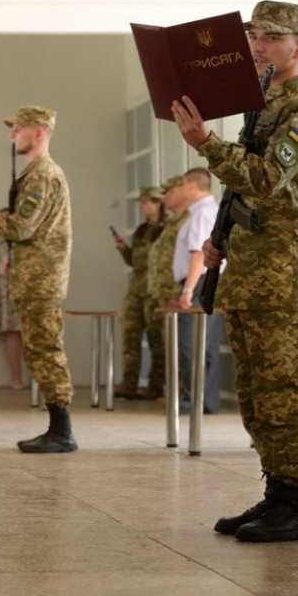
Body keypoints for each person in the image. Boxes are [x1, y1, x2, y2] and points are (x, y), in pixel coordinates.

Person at [172, 0, 298, 543]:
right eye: (254, 35)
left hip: (285, 270)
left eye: (271, 37)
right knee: (257, 389)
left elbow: (266, 178)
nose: (257, 45)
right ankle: (276, 495)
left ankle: (297, 504)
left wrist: (204, 144)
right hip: (251, 265)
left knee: (281, 387)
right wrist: (221, 240)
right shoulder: (261, 106)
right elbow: (241, 190)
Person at [0, 105, 75, 453]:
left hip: (41, 279)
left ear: (38, 132)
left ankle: (62, 432)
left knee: (46, 350)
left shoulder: (42, 174)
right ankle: (57, 429)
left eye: (18, 129)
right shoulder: (34, 174)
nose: (11, 135)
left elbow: (20, 227)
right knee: (38, 350)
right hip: (33, 278)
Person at [168, 167, 222, 414]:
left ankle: (195, 398)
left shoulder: (202, 215)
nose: (177, 191)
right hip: (206, 282)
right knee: (206, 345)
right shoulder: (208, 212)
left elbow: (198, 255)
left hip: (199, 282)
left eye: (179, 185)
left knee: (192, 343)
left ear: (191, 186)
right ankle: (205, 400)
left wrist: (188, 290)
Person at [113, 188, 165, 400]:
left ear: (157, 203)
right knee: (130, 338)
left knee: (157, 341)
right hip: (136, 290)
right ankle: (129, 384)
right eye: (141, 203)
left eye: (146, 203)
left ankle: (155, 386)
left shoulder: (167, 228)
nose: (142, 207)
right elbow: (134, 262)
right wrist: (124, 249)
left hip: (155, 291)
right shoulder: (141, 230)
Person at [145, 176, 191, 402]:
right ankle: (174, 392)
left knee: (181, 347)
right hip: (164, 291)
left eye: (170, 192)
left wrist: (180, 291)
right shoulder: (174, 221)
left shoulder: (189, 219)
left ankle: (182, 394)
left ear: (184, 190)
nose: (165, 198)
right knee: (169, 345)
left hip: (176, 290)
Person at [0, 230, 25, 390]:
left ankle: (40, 378)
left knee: (34, 334)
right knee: (12, 332)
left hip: (26, 290)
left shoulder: (27, 239)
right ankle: (16, 376)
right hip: (5, 292)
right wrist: (4, 269)